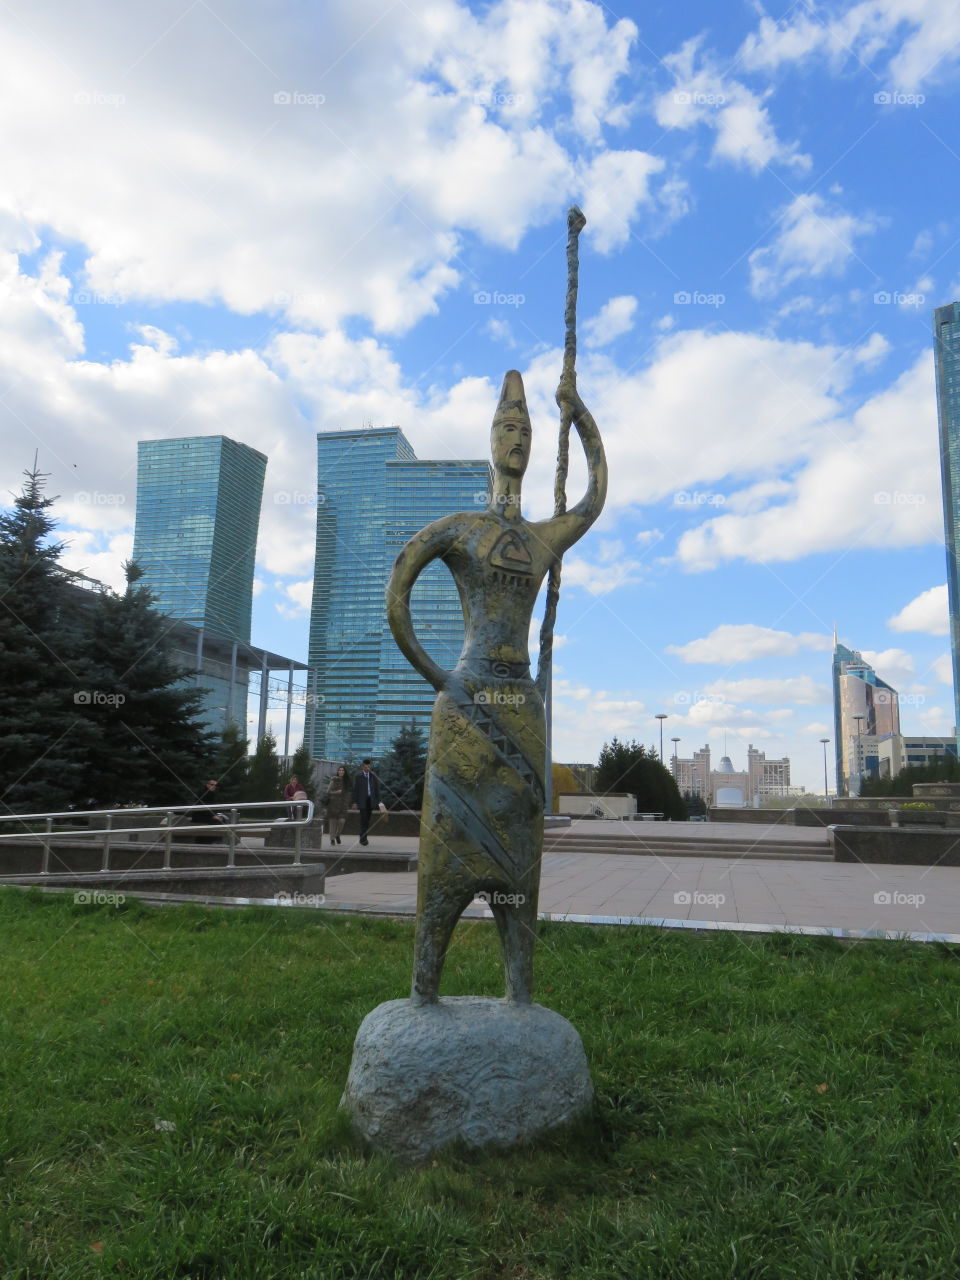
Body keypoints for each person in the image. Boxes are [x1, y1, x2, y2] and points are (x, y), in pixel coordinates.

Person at [387, 368, 606, 1004]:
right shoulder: (463, 529)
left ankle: (520, 992)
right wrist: (441, 678)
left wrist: (580, 416)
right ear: (491, 441)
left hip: (520, 709)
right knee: (447, 846)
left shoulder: (539, 539)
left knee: (518, 849)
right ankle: (424, 985)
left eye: (527, 431)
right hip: (466, 703)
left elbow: (593, 499)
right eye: (507, 428)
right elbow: (397, 592)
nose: (518, 439)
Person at [351, 759, 384, 846]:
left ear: (370, 767)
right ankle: (363, 839)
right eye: (365, 767)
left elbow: (377, 789)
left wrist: (380, 801)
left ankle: (364, 837)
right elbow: (355, 790)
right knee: (364, 819)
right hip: (362, 801)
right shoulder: (358, 776)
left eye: (369, 767)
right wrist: (354, 802)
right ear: (363, 767)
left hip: (371, 801)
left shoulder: (373, 776)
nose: (367, 768)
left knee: (367, 820)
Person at [189, 779, 228, 844]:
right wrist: (213, 816)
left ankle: (210, 840)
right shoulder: (202, 793)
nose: (214, 786)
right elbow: (201, 807)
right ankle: (212, 840)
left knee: (222, 819)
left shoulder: (212, 794)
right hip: (199, 816)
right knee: (217, 821)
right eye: (212, 785)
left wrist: (218, 814)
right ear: (207, 785)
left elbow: (214, 807)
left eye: (215, 785)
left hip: (207, 815)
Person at [324, 765, 350, 846]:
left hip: (343, 805)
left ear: (344, 772)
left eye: (342, 770)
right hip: (333, 804)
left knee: (342, 821)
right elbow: (328, 792)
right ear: (338, 772)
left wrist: (348, 802)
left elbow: (349, 793)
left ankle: (337, 835)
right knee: (333, 823)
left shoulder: (347, 781)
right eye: (340, 770)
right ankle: (332, 839)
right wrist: (336, 792)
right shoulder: (334, 780)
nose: (341, 772)